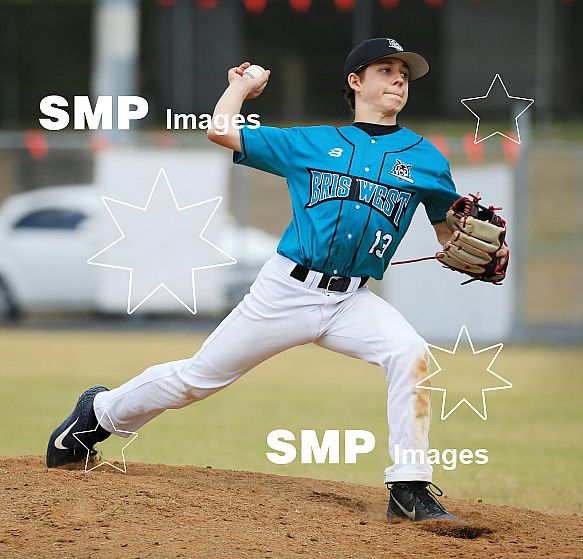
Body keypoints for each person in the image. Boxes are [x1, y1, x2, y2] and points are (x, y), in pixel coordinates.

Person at [47, 38, 508, 523]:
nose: (398, 78)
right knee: (197, 380)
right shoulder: (310, 142)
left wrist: (476, 246)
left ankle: (409, 488)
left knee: (410, 353)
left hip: (352, 301)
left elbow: (447, 228)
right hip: (286, 292)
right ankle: (98, 414)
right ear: (355, 82)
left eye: (404, 74)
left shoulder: (426, 158)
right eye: (386, 69)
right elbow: (221, 131)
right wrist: (240, 88)